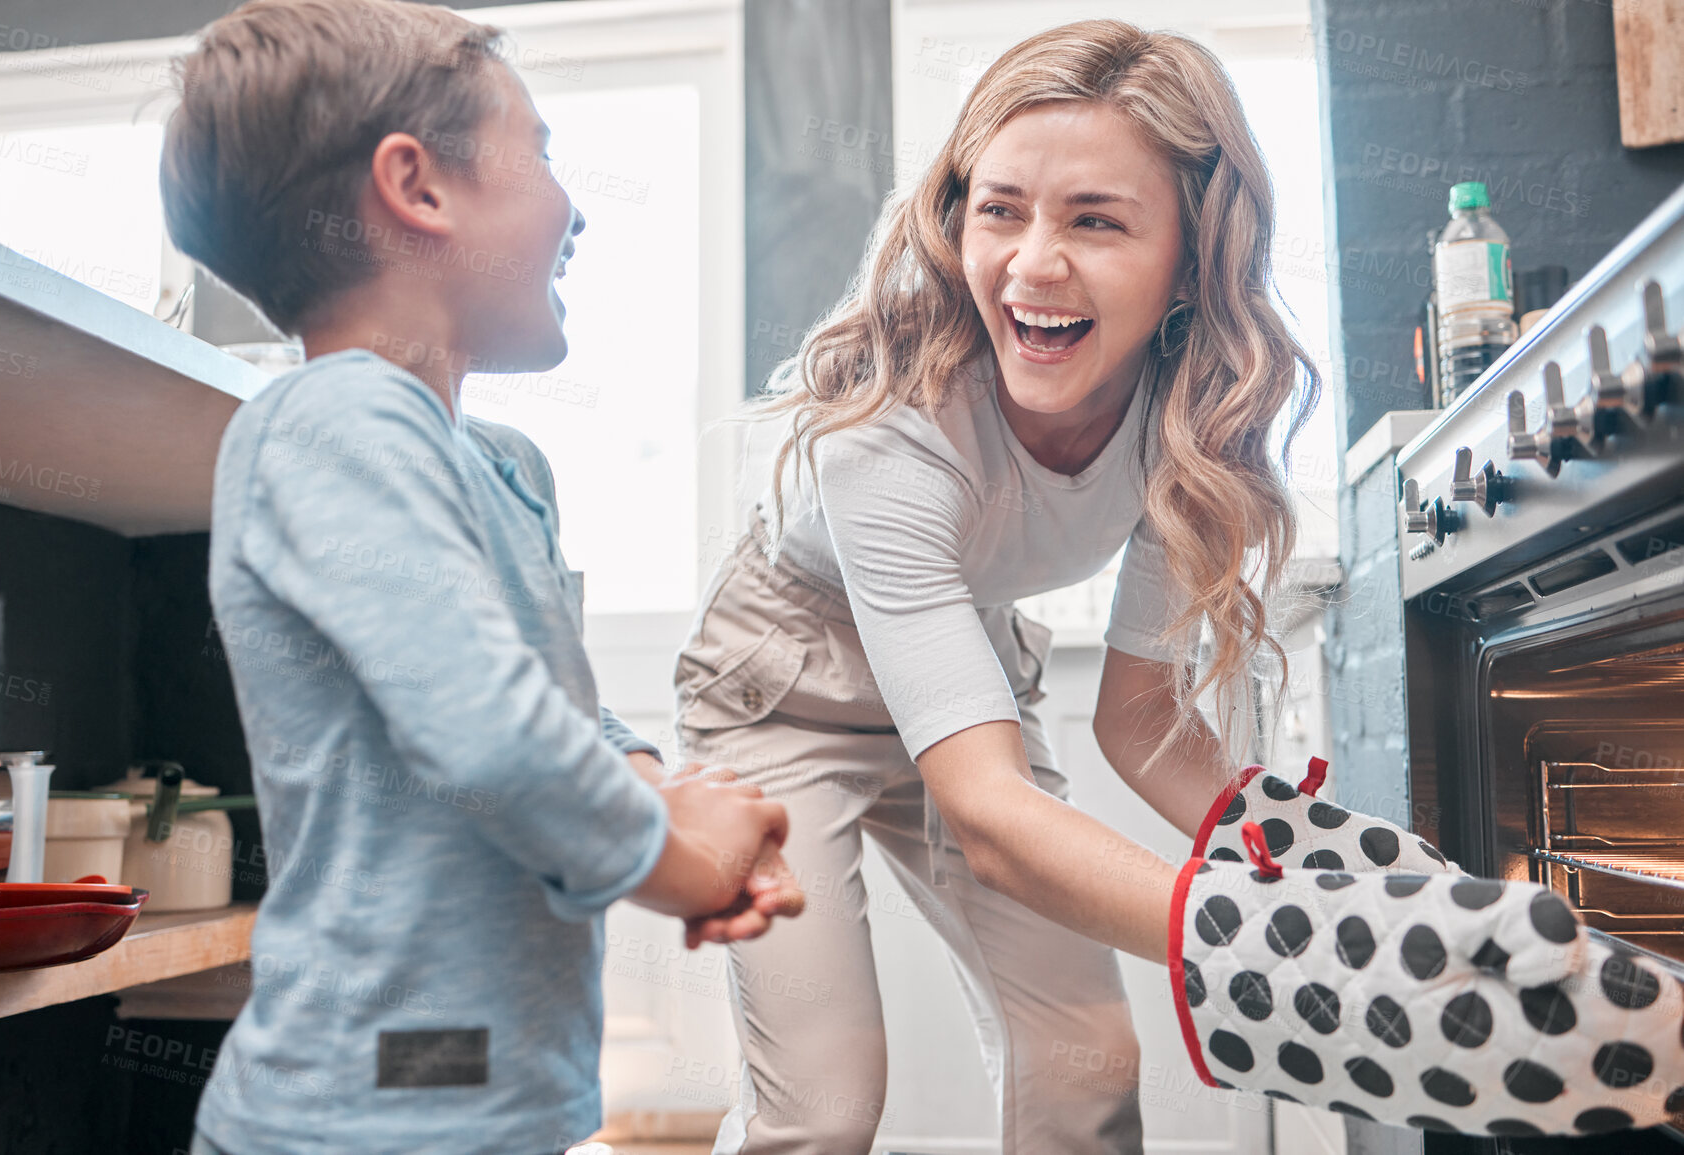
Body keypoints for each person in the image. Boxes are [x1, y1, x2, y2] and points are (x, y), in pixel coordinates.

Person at [675, 19, 1684, 1152]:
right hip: (785, 688)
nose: (1032, 263)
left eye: (1096, 221)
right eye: (999, 209)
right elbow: (995, 817)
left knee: (1089, 1060)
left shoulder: (1198, 422)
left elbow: (1140, 720)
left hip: (966, 674)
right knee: (827, 1107)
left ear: (1192, 260)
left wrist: (1332, 871)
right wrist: (1286, 943)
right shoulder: (893, 434)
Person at [156, 3, 801, 1153]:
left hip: (491, 1095)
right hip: (363, 1109)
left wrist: (662, 791)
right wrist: (685, 860)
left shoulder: (504, 465)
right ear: (418, 187)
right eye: (542, 153)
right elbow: (491, 736)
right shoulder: (328, 425)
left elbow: (552, 710)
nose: (577, 206)